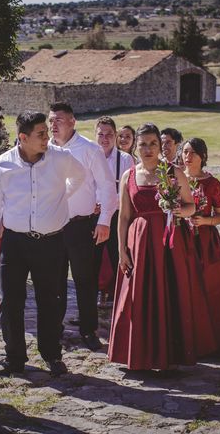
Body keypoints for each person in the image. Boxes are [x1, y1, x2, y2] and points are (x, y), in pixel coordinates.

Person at [109, 123, 219, 370]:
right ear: (136, 146)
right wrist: (121, 251)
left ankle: (169, 353)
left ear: (160, 146)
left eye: (153, 144)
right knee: (137, 298)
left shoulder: (174, 172)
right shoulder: (128, 176)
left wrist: (178, 209)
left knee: (169, 294)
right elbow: (124, 216)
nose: (148, 149)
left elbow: (191, 206)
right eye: (143, 144)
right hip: (138, 243)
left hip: (170, 244)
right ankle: (140, 353)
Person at [0, 111, 85, 376]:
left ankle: (52, 355)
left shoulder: (61, 158)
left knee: (50, 301)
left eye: (47, 132)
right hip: (14, 243)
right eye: (41, 134)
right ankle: (14, 358)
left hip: (51, 243)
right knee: (9, 302)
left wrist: (60, 198)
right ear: (23, 138)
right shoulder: (1, 165)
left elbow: (80, 176)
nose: (47, 138)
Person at [48, 102, 118, 352]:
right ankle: (55, 329)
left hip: (82, 225)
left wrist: (104, 221)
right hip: (53, 226)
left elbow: (108, 186)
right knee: (54, 282)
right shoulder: (45, 150)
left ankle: (88, 330)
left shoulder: (89, 149)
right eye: (51, 120)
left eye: (58, 120)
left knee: (85, 281)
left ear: (72, 121)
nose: (53, 125)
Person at [182, 138, 220, 358]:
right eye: (185, 151)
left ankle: (211, 341)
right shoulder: (175, 180)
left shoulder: (212, 184)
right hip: (180, 238)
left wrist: (205, 222)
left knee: (208, 288)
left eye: (193, 152)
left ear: (203, 156)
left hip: (205, 242)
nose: (188, 156)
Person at [94, 116, 134, 308]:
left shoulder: (125, 159)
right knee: (92, 259)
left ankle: (118, 296)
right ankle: (94, 295)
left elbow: (128, 191)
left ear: (115, 136)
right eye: (100, 134)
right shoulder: (90, 155)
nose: (104, 138)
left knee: (116, 255)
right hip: (93, 214)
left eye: (109, 134)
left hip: (116, 214)